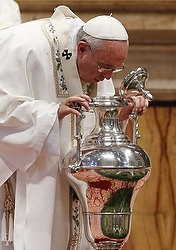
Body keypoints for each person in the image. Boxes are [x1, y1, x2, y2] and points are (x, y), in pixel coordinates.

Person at [0, 5, 148, 250]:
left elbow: (96, 128)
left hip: (75, 185)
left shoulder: (99, 56)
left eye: (116, 69)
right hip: (33, 178)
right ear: (81, 50)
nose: (108, 76)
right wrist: (52, 113)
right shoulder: (26, 47)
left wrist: (122, 112)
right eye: (105, 67)